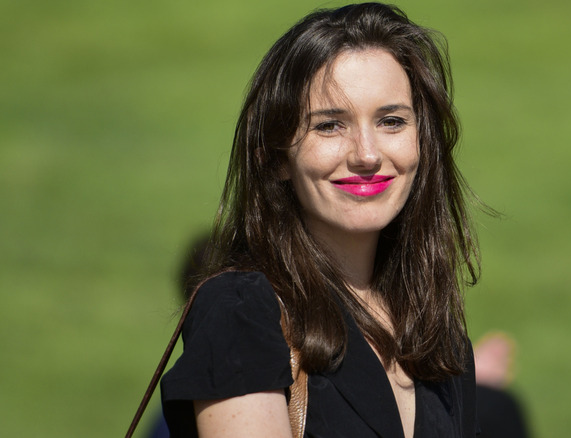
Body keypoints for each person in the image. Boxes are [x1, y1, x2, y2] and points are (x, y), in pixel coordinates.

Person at [160, 3, 482, 437]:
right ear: (275, 158)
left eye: (391, 121)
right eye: (330, 125)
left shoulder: (436, 333)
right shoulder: (241, 308)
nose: (367, 154)